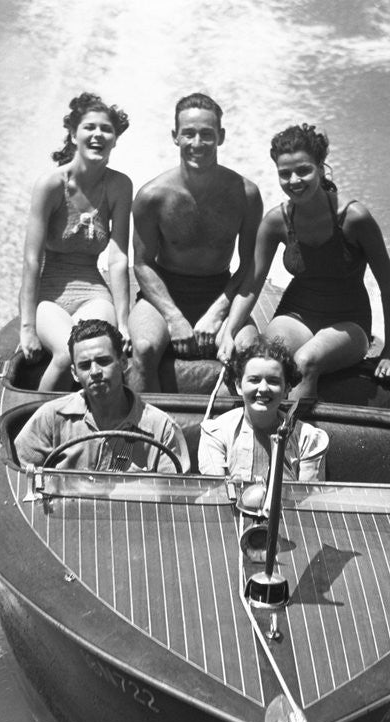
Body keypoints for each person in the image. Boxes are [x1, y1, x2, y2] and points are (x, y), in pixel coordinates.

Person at [220, 123, 390, 398]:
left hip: (348, 321)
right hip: (296, 314)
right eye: (285, 173)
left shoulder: (354, 218)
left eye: (303, 170)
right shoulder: (275, 221)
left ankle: (289, 439)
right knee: (269, 363)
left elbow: (388, 285)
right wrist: (229, 331)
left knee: (305, 362)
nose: (294, 180)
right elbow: (252, 284)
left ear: (320, 166)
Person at [127, 93, 263, 392]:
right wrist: (173, 317)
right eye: (188, 133)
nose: (197, 143)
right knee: (146, 347)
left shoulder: (246, 194)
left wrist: (218, 312)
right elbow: (141, 264)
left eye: (206, 134)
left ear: (221, 137)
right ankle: (139, 434)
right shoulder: (152, 196)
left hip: (220, 291)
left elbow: (251, 264)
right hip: (163, 293)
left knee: (248, 352)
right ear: (175, 137)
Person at [18, 92, 133, 392]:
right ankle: (39, 427)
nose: (98, 135)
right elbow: (32, 261)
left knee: (101, 355)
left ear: (115, 139)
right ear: (73, 133)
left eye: (106, 129)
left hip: (94, 293)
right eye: (90, 127)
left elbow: (118, 259)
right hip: (50, 295)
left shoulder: (120, 186)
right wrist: (27, 327)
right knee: (68, 352)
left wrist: (123, 323)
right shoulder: (51, 185)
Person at [15, 319, 190, 473]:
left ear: (122, 363)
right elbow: (21, 481)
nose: (95, 372)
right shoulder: (51, 418)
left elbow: (174, 498)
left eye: (103, 361)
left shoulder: (161, 428)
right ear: (74, 374)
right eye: (84, 365)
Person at [198, 335, 328, 481]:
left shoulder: (307, 439)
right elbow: (217, 495)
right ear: (239, 386)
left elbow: (307, 500)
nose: (263, 388)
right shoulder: (216, 433)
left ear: (287, 389)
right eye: (254, 380)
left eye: (273, 381)